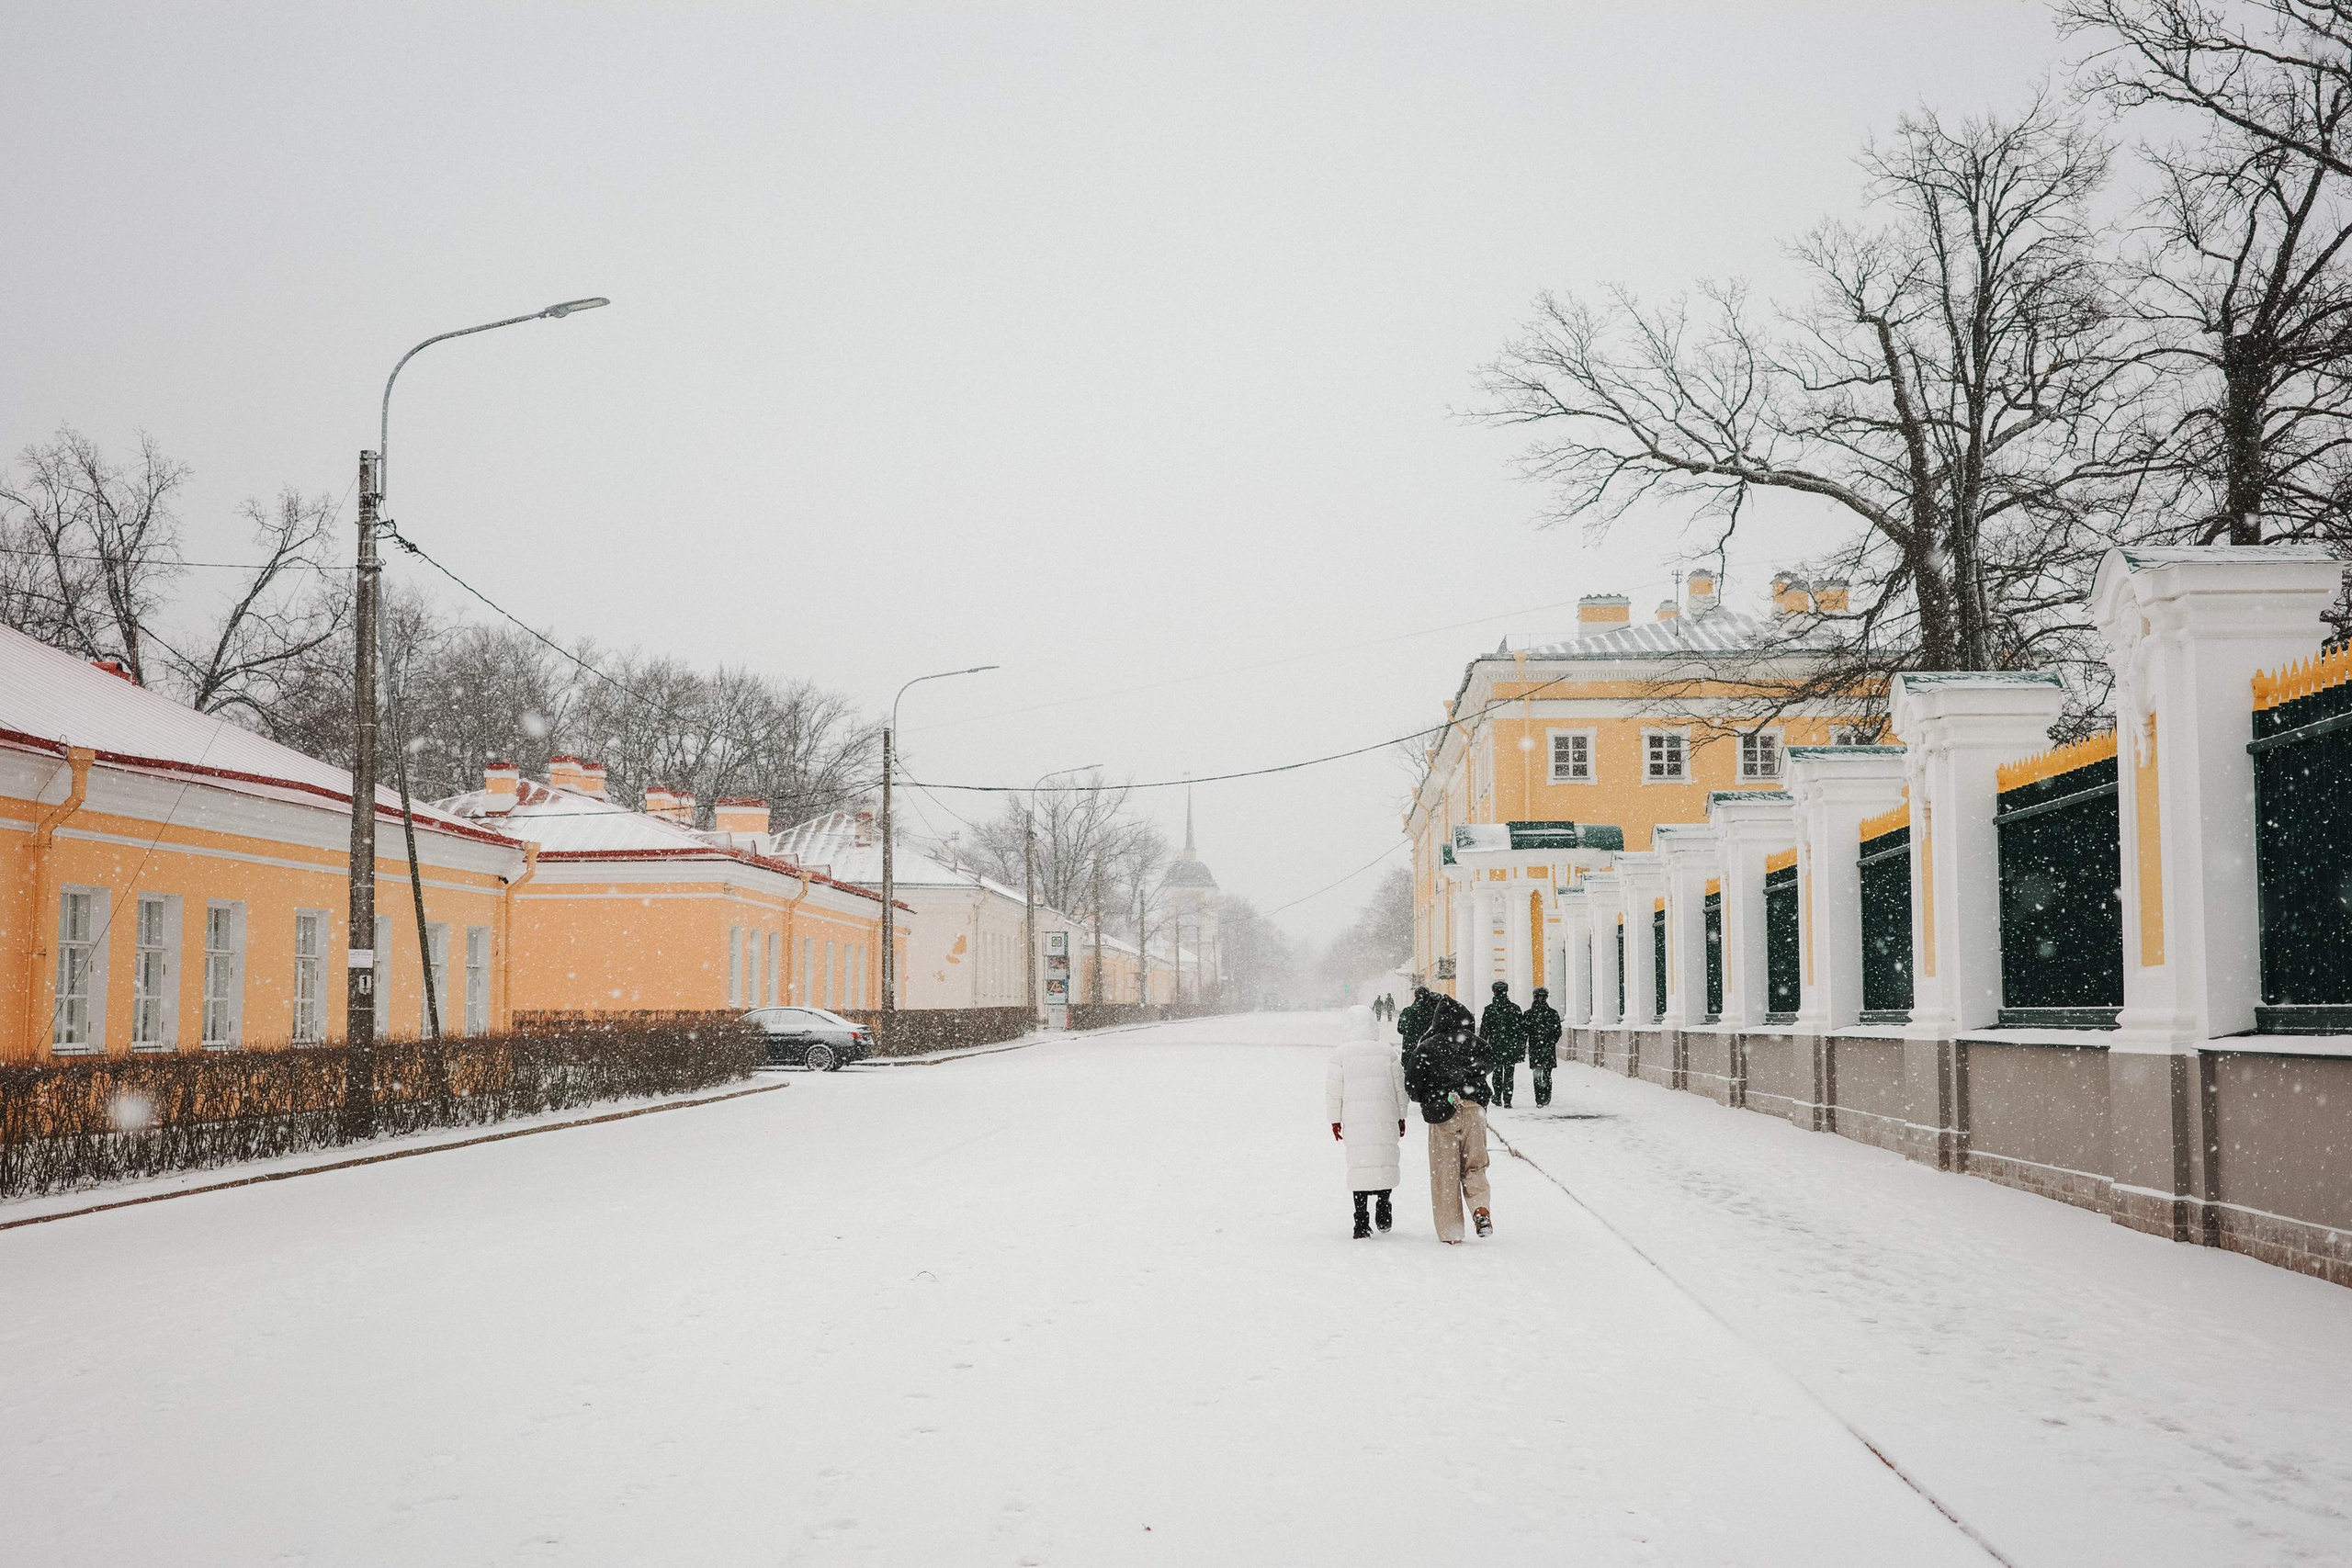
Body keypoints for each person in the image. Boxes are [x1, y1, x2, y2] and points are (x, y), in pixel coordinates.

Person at [1402, 993, 1494, 1243]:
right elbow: (1489, 1064)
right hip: (1474, 1110)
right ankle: (1480, 1208)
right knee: (1475, 1165)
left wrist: (1433, 1093)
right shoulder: (1476, 1043)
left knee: (1445, 1172)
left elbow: (1412, 1085)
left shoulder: (1427, 1047)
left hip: (1443, 1113)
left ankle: (1452, 1231)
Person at [1326, 1004, 1408, 1238]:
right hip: (1385, 1116)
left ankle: (1361, 1220)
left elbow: (1334, 1092)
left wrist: (1335, 1120)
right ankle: (1384, 1207)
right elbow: (1399, 1088)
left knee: (1360, 1164)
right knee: (1384, 1160)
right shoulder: (1387, 1052)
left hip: (1355, 1118)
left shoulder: (1340, 1054)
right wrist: (1401, 1116)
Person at [1480, 980, 1525, 1109]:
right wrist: (1520, 1047)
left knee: (1497, 1072)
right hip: (1511, 1047)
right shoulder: (1515, 1009)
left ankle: (1497, 1096)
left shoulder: (1489, 1010)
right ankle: (1507, 1099)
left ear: (1494, 992)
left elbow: (1484, 1031)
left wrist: (1482, 1047)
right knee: (1509, 1073)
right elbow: (1521, 1031)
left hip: (1495, 1047)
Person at [1525, 986, 1562, 1107]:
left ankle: (1539, 1099)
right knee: (1547, 1074)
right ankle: (1546, 1096)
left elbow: (1524, 1032)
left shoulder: (1529, 1014)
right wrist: (1550, 1041)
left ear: (1534, 997)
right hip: (1548, 1048)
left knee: (1537, 1074)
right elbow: (1558, 1032)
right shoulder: (1553, 1013)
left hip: (1535, 1048)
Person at [1396, 985, 1435, 1050]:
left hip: (1408, 1051)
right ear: (1428, 998)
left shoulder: (1407, 1011)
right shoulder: (1432, 1013)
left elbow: (1400, 1029)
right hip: (1426, 1051)